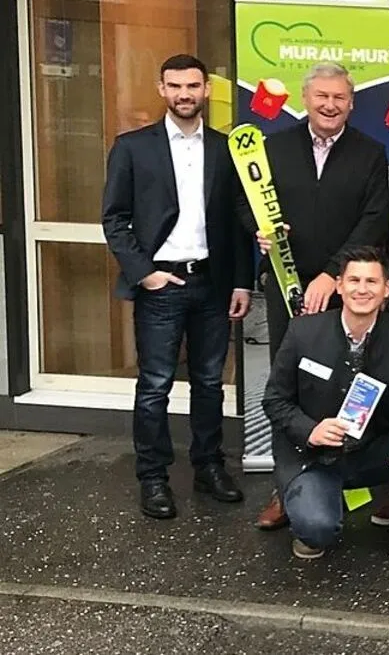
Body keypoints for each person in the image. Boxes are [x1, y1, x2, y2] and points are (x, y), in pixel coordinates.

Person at [101, 54, 253, 519]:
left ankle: (208, 467)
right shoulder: (132, 147)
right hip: (159, 283)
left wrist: (242, 283)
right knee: (155, 385)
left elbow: (238, 222)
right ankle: (153, 477)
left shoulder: (227, 149)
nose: (184, 94)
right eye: (175, 86)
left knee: (209, 383)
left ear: (206, 89)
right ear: (161, 89)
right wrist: (143, 271)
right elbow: (115, 218)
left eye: (192, 85)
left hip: (211, 282)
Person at [248, 61, 389, 531]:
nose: (330, 105)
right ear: (305, 99)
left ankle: (339, 478)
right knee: (287, 385)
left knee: (347, 383)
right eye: (321, 96)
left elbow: (374, 218)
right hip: (285, 287)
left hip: (346, 291)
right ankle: (285, 486)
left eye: (340, 98)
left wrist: (334, 274)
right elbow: (250, 205)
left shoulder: (371, 152)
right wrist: (261, 235)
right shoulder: (274, 148)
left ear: (351, 103)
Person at [261, 246, 389, 566]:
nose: (362, 289)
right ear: (339, 285)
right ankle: (308, 501)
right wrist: (310, 430)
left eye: (372, 282)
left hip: (368, 452)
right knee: (316, 531)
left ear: (387, 289)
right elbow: (274, 400)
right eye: (354, 280)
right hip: (313, 457)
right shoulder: (303, 332)